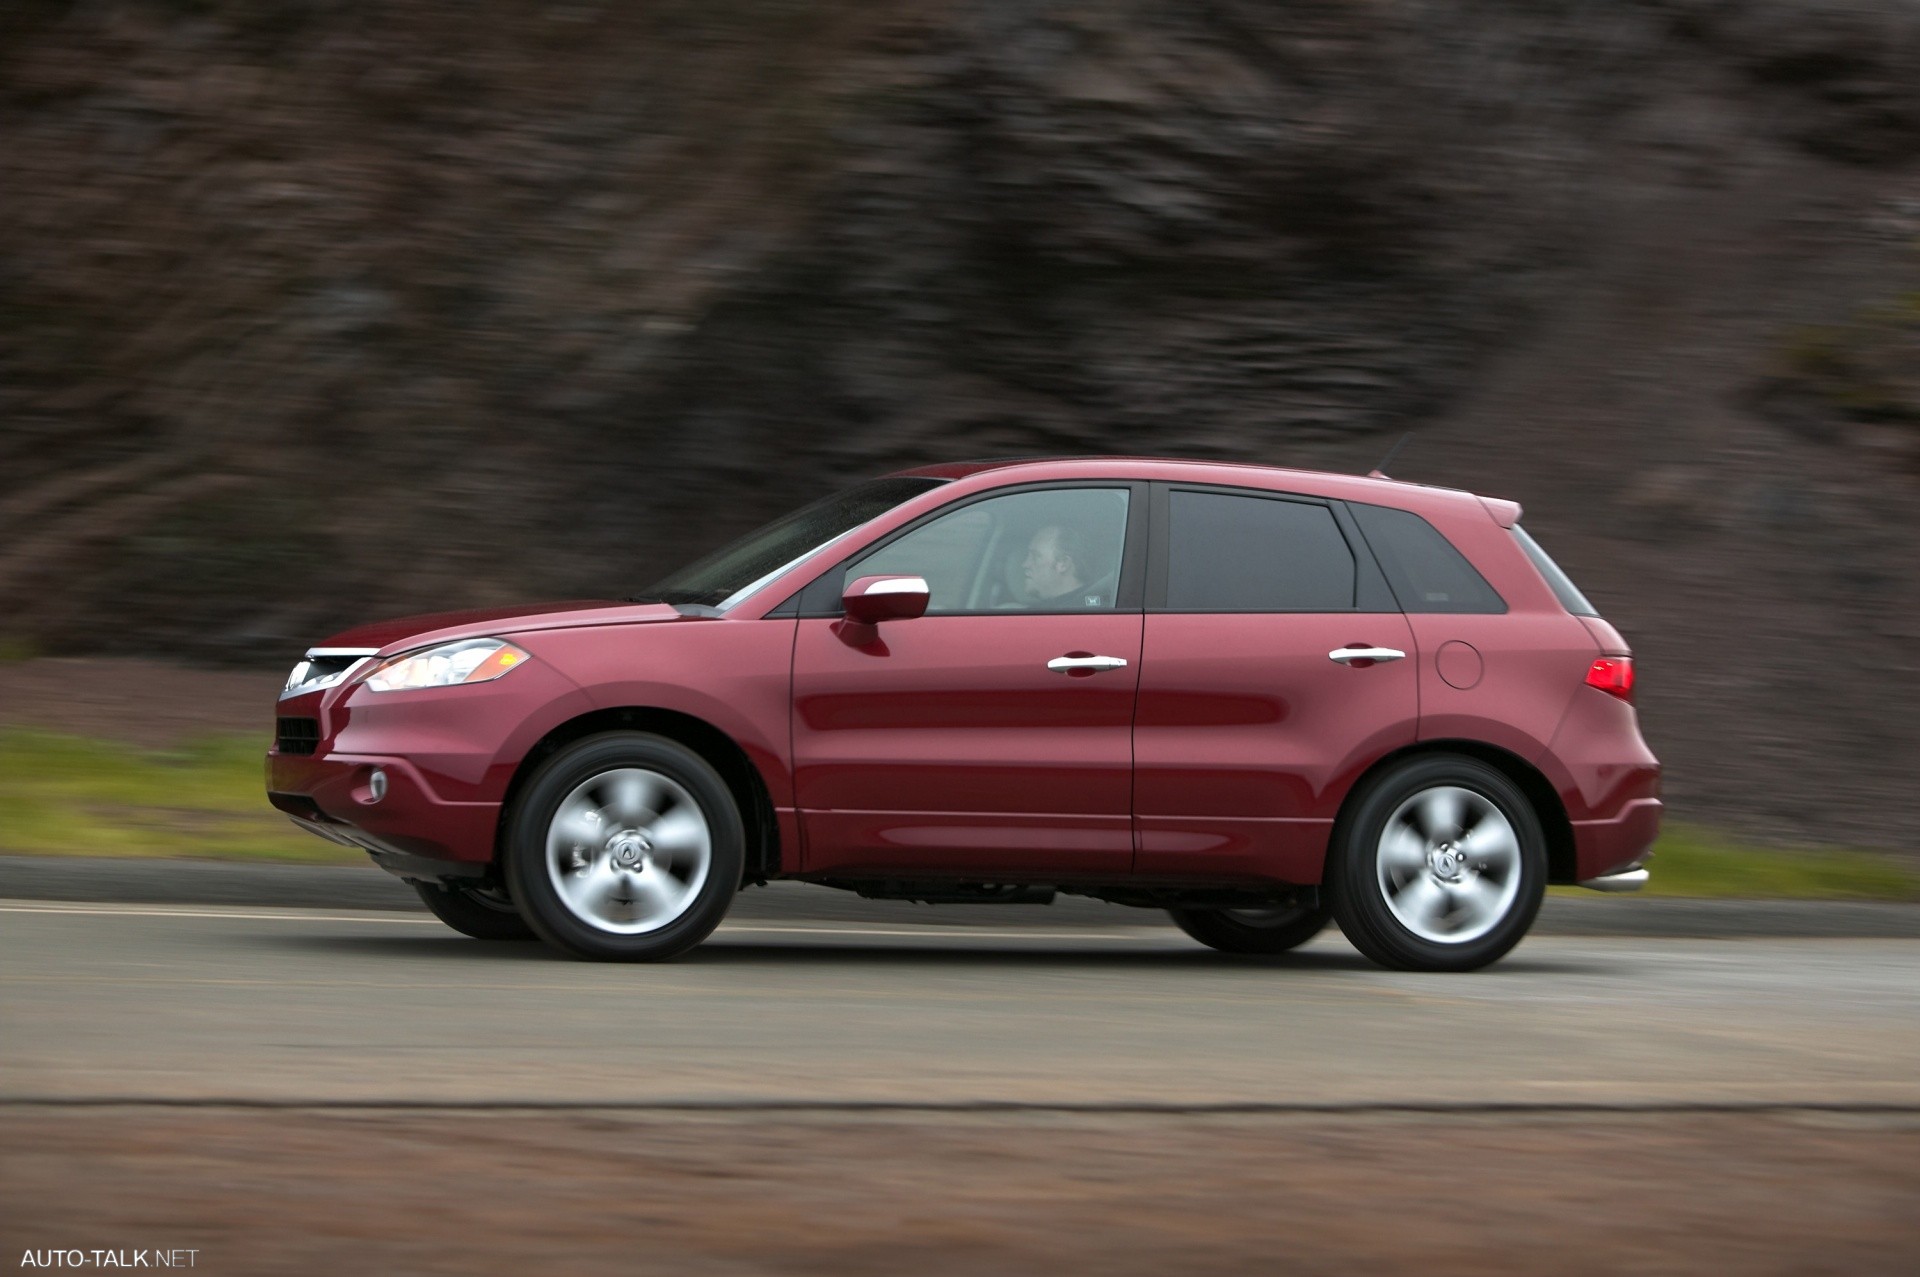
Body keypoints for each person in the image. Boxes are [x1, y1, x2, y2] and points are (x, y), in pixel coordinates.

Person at [1022, 524, 1107, 607]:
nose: (1025, 564)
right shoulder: (1090, 607)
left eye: (1036, 556)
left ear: (1063, 563)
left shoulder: (1083, 612)